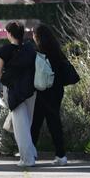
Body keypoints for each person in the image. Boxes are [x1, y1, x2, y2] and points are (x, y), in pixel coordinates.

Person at [0, 21, 38, 167]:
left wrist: (9, 81)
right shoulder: (30, 49)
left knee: (20, 127)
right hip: (31, 91)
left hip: (15, 92)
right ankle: (32, 152)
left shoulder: (5, 50)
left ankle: (27, 159)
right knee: (28, 124)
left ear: (9, 33)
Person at [31, 23, 70, 166]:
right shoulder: (56, 51)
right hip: (57, 90)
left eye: (34, 34)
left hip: (43, 90)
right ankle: (61, 154)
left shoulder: (40, 52)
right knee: (54, 122)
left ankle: (31, 153)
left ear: (38, 36)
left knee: (36, 123)